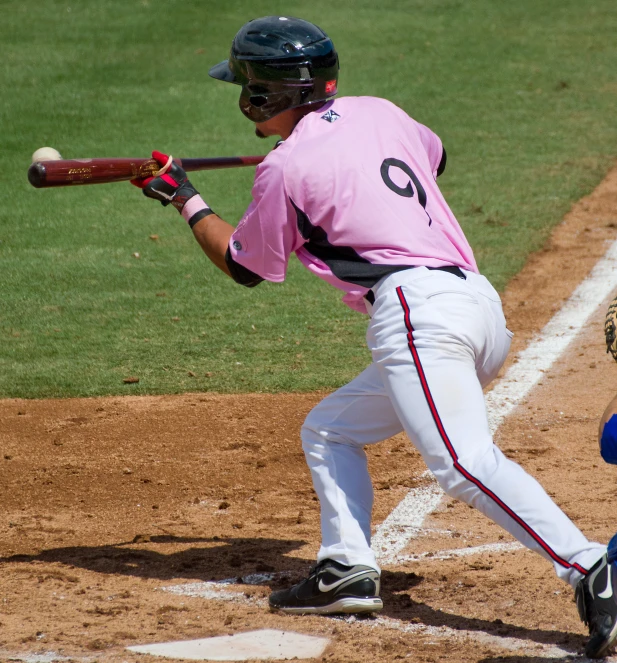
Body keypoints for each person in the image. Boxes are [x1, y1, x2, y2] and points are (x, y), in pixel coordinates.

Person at [132, 16, 617, 659]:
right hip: (476, 306)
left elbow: (247, 266)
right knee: (330, 430)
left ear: (262, 95)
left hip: (418, 316)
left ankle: (590, 568)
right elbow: (434, 156)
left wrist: (184, 198)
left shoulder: (283, 169)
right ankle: (346, 568)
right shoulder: (379, 111)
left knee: (463, 462)